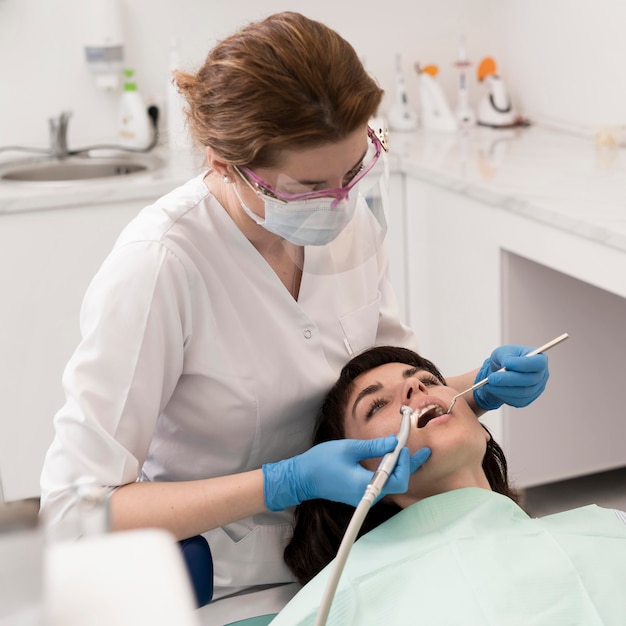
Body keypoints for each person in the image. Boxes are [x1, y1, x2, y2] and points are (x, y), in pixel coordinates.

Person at [39, 12, 550, 606]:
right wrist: (282, 482)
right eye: (307, 188)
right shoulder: (161, 266)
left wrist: (476, 390)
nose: (337, 204)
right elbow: (74, 514)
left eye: (356, 168)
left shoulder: (348, 220)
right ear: (223, 164)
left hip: (356, 542)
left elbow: (380, 394)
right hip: (214, 572)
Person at [272, 346, 626, 625]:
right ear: (359, 472)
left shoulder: (606, 528)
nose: (417, 386)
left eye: (426, 378)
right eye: (377, 404)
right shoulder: (341, 596)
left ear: (480, 427)